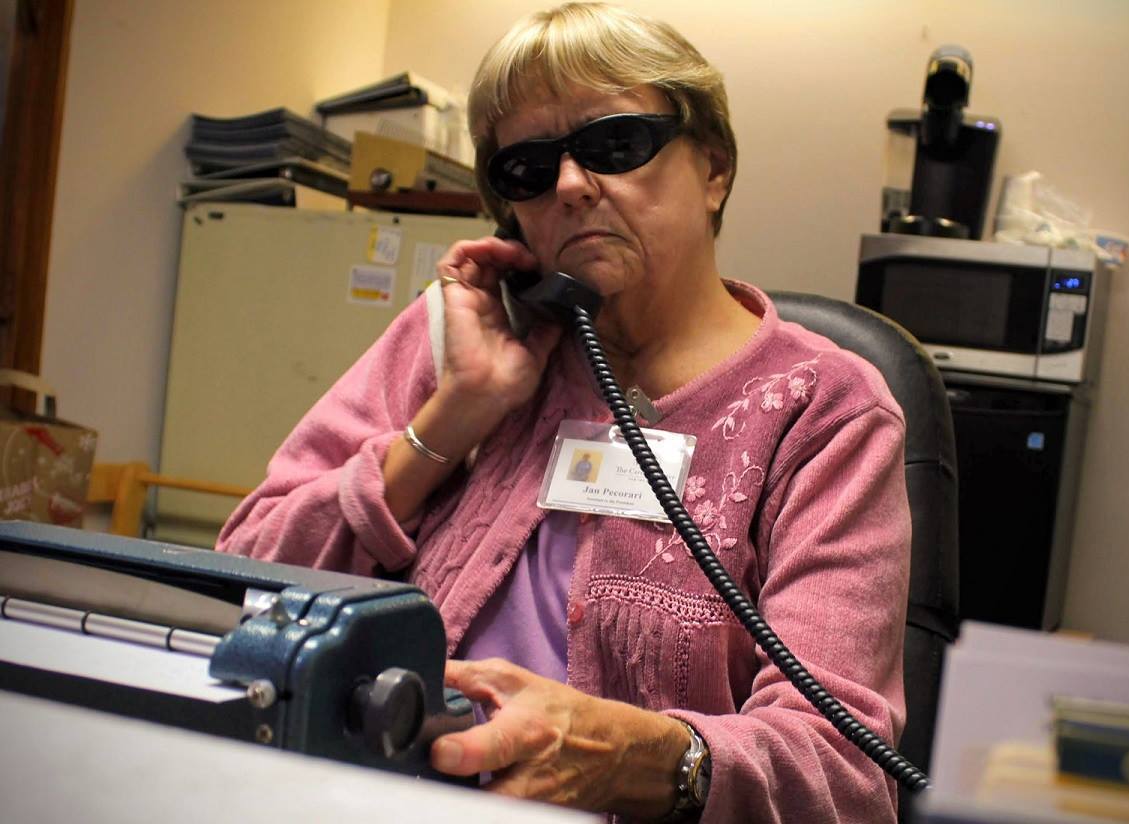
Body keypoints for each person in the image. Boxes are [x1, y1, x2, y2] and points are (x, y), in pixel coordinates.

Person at [217, 3, 911, 821]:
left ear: (714, 168)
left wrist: (647, 759)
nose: (573, 186)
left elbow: (846, 773)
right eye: (528, 169)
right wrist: (457, 415)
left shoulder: (825, 411)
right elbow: (250, 578)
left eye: (615, 144)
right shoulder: (461, 337)